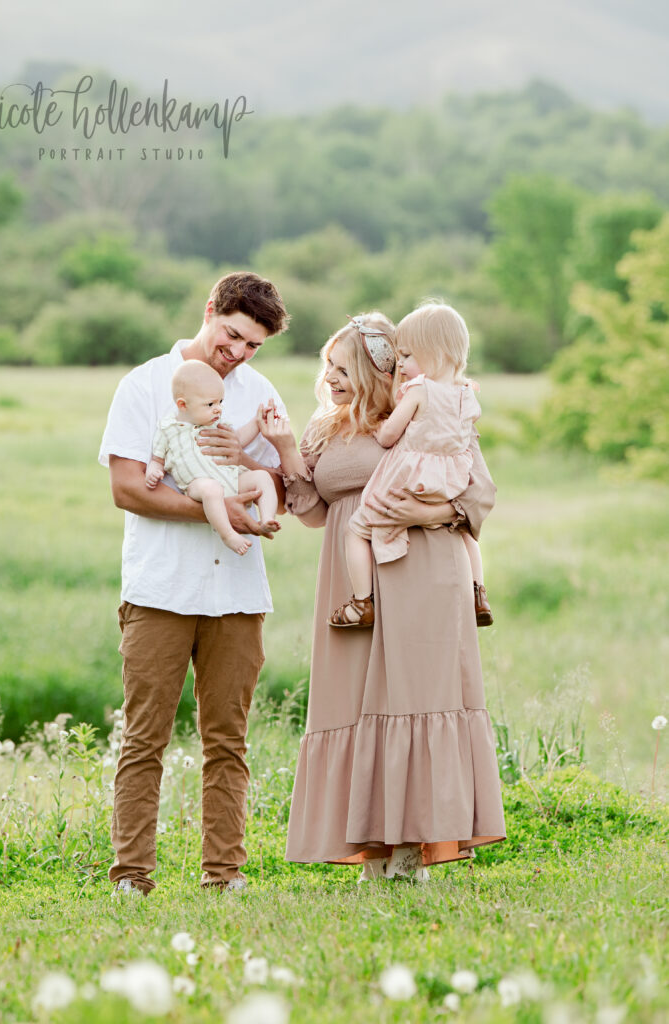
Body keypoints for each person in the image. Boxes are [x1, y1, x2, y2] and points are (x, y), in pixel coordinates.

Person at [258, 311, 505, 882]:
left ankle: (411, 851)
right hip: (352, 579)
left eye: (342, 367)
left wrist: (431, 510)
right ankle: (373, 846)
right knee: (351, 705)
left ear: (376, 368)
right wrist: (287, 448)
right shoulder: (328, 427)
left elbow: (478, 491)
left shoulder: (419, 411)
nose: (332, 377)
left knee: (415, 699)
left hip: (424, 570)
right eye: (327, 366)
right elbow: (317, 515)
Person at [98, 271, 289, 895]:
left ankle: (224, 874)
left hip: (237, 592)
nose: (237, 354)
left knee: (228, 741)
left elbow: (279, 481)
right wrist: (215, 511)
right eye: (232, 336)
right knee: (144, 735)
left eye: (252, 346)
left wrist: (259, 477)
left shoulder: (259, 392)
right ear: (210, 311)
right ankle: (132, 876)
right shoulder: (144, 384)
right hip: (159, 589)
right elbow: (127, 487)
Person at [330, 303, 493, 629]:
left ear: (435, 355)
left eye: (406, 356)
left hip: (412, 479)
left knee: (357, 529)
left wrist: (379, 429)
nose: (400, 364)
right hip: (449, 480)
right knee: (468, 538)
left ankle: (362, 602)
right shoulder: (467, 394)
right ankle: (478, 592)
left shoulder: (417, 391)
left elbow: (390, 436)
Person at [145, 359, 280, 555]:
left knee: (261, 477)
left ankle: (267, 518)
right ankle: (228, 534)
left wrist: (257, 423)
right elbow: (157, 459)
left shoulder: (217, 424)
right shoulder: (168, 429)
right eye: (210, 404)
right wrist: (153, 471)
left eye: (220, 402)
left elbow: (238, 441)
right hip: (198, 485)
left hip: (231, 478)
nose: (218, 409)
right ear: (183, 404)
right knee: (211, 489)